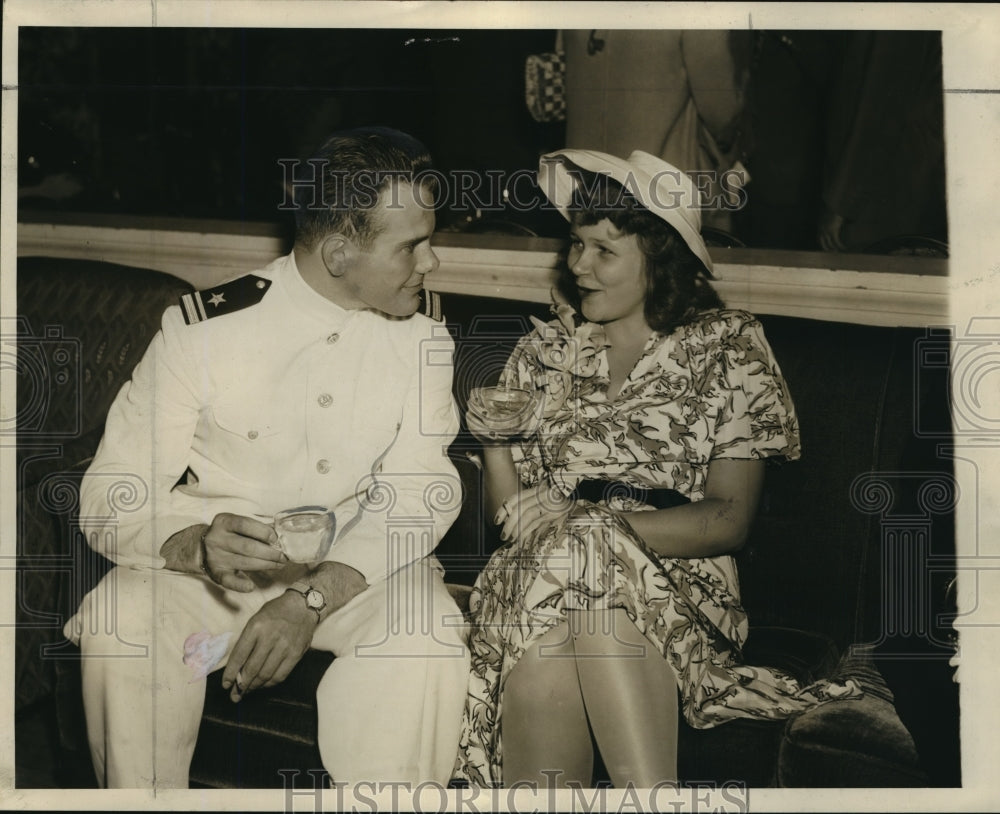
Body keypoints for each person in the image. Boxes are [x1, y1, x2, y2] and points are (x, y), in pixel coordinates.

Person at [64, 127, 470, 788]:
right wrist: (194, 544)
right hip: (216, 588)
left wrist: (310, 600)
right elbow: (111, 496)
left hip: (352, 574)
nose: (432, 263)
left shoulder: (421, 338)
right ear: (340, 253)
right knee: (123, 617)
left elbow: (422, 490)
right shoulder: (202, 332)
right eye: (413, 246)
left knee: (424, 633)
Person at [455, 149, 860, 788]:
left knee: (577, 601)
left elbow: (729, 520)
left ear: (659, 259)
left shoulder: (727, 347)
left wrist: (593, 523)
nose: (578, 265)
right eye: (575, 244)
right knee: (564, 610)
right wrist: (495, 444)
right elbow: (514, 523)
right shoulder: (543, 350)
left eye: (603, 251)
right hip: (539, 577)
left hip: (680, 587)